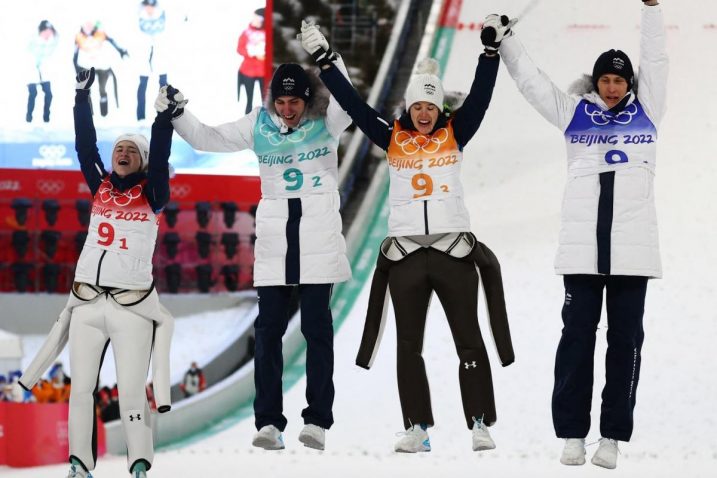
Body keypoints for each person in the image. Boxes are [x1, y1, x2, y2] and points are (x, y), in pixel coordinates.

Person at [311, 21, 515, 452]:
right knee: (408, 346)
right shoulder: (392, 137)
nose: (424, 113)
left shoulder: (455, 133)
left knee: (468, 339)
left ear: (441, 109)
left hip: (452, 253)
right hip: (405, 256)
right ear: (409, 107)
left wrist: (489, 55)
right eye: (418, 106)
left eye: (431, 106)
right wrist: (327, 64)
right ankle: (417, 428)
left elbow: (480, 99)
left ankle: (479, 421)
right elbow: (354, 104)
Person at [154, 21, 354, 451]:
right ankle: (269, 423)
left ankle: (317, 420)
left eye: (294, 101)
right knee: (267, 333)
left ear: (307, 98)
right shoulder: (258, 124)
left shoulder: (328, 119)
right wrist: (177, 114)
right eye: (280, 101)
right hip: (275, 242)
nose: (287, 110)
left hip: (318, 236)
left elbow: (350, 102)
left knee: (318, 330)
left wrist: (328, 58)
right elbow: (208, 139)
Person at [489, 0, 668, 469]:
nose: (612, 88)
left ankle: (612, 436)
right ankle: (572, 433)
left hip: (633, 253)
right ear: (595, 83)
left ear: (631, 84)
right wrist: (507, 43)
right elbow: (534, 85)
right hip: (582, 253)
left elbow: (657, 60)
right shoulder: (575, 116)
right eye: (605, 80)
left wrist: (651, 9)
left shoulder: (647, 113)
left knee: (625, 343)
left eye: (619, 80)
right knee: (576, 340)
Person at [19, 67, 177, 478]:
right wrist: (80, 96)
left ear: (140, 161)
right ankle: (78, 463)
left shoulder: (153, 195)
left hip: (131, 308)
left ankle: (139, 463)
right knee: (80, 392)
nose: (122, 153)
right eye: (119, 149)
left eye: (131, 150)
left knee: (129, 393)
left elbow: (160, 162)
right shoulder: (101, 185)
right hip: (88, 302)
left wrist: (162, 121)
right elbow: (84, 147)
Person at [74, 20, 128, 117]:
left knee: (102, 89)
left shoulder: (100, 34)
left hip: (102, 66)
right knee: (86, 90)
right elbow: (74, 53)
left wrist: (121, 51)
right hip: (87, 66)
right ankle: (89, 113)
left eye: (90, 26)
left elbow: (113, 42)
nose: (88, 28)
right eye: (86, 26)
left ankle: (104, 114)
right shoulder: (79, 37)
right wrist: (76, 68)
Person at [136, 0, 169, 120]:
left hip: (160, 56)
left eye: (152, 7)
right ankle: (140, 117)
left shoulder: (163, 15)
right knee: (143, 85)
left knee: (163, 86)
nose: (149, 9)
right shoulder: (138, 17)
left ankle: (164, 115)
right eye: (147, 7)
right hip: (144, 57)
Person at [26, 20, 58, 123]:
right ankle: (29, 117)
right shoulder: (33, 41)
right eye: (46, 31)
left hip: (45, 72)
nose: (48, 34)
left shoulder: (52, 42)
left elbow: (58, 37)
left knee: (49, 94)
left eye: (50, 31)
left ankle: (46, 117)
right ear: (41, 31)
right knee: (33, 93)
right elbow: (26, 56)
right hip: (31, 70)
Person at [237, 8, 266, 114]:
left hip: (263, 72)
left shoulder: (268, 33)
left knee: (266, 99)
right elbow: (239, 48)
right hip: (248, 71)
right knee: (249, 100)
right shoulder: (246, 33)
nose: (254, 20)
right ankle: (247, 119)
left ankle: (267, 120)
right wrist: (251, 52)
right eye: (253, 17)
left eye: (256, 18)